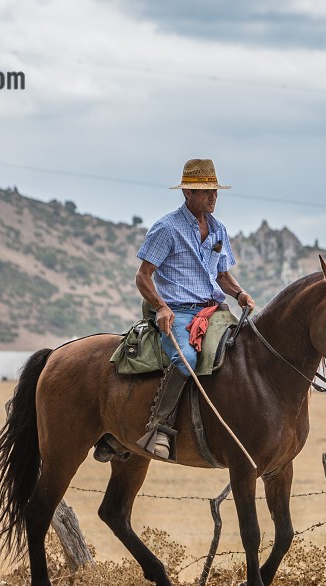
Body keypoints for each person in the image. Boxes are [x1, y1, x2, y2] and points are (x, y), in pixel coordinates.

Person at [133, 158, 257, 460]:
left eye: (215, 190)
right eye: (205, 191)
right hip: (178, 311)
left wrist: (240, 293)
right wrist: (161, 307)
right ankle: (159, 426)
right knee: (187, 357)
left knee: (245, 347)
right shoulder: (167, 228)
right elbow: (143, 275)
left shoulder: (218, 229)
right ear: (188, 193)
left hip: (214, 309)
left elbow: (223, 275)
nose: (213, 196)